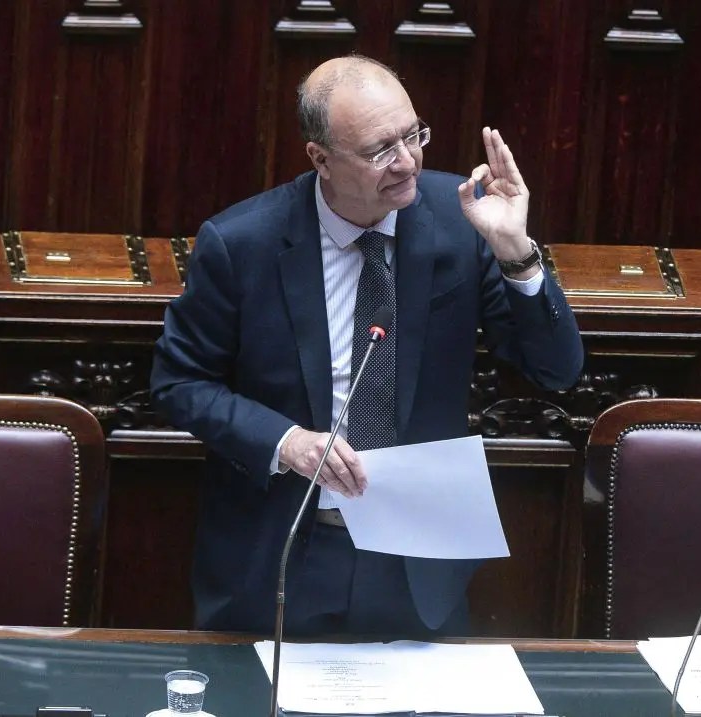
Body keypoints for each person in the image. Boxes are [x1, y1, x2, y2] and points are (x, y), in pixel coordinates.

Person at [150, 55, 583, 637]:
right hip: (284, 551)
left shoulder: (463, 221)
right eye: (380, 150)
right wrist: (288, 442)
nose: (406, 162)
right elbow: (179, 383)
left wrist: (516, 252)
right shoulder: (242, 244)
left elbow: (556, 371)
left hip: (417, 561)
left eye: (413, 135)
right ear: (320, 158)